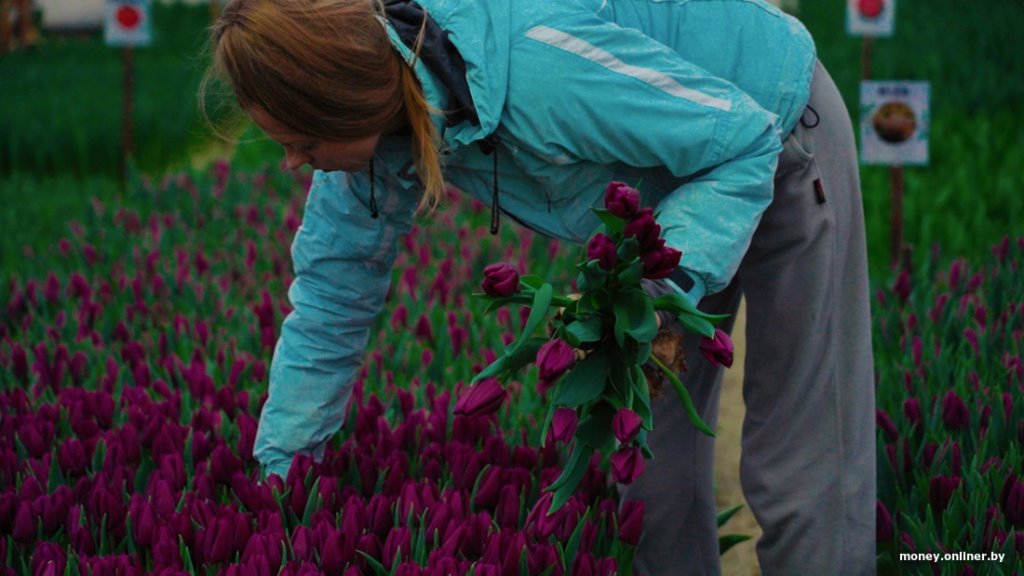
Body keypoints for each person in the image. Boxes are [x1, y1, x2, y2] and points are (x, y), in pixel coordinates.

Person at [204, 0, 875, 574]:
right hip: (660, 185)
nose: (293, 163)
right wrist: (281, 481)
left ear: (345, 100)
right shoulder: (375, 136)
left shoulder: (538, 70)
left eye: (299, 142)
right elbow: (330, 299)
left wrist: (654, 295)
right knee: (647, 468)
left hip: (774, 130)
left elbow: (742, 139)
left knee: (797, 460)